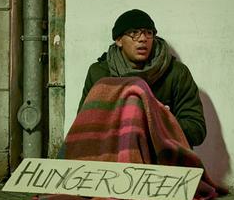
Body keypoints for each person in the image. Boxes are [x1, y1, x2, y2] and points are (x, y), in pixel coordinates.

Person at [78, 9, 207, 147]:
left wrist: (161, 118)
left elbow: (196, 131)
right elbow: (84, 126)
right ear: (119, 40)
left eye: (148, 33)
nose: (143, 38)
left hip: (162, 157)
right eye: (134, 33)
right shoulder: (99, 73)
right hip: (113, 156)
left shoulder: (176, 73)